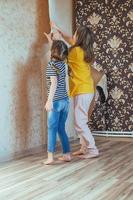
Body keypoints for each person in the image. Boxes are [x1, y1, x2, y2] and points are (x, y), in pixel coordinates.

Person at [51, 22, 100, 159]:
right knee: (81, 120)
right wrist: (59, 29)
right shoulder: (83, 50)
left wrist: (56, 40)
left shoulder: (75, 52)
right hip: (85, 89)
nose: (72, 35)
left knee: (80, 122)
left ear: (78, 38)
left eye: (75, 33)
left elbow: (61, 56)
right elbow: (70, 40)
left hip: (82, 91)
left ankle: (92, 149)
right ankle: (85, 148)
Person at [43, 39, 71, 165]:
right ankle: (67, 154)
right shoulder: (63, 65)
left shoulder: (51, 65)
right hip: (65, 101)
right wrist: (51, 40)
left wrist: (49, 101)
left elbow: (53, 83)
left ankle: (50, 157)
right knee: (61, 128)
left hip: (56, 102)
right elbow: (63, 81)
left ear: (52, 51)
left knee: (52, 129)